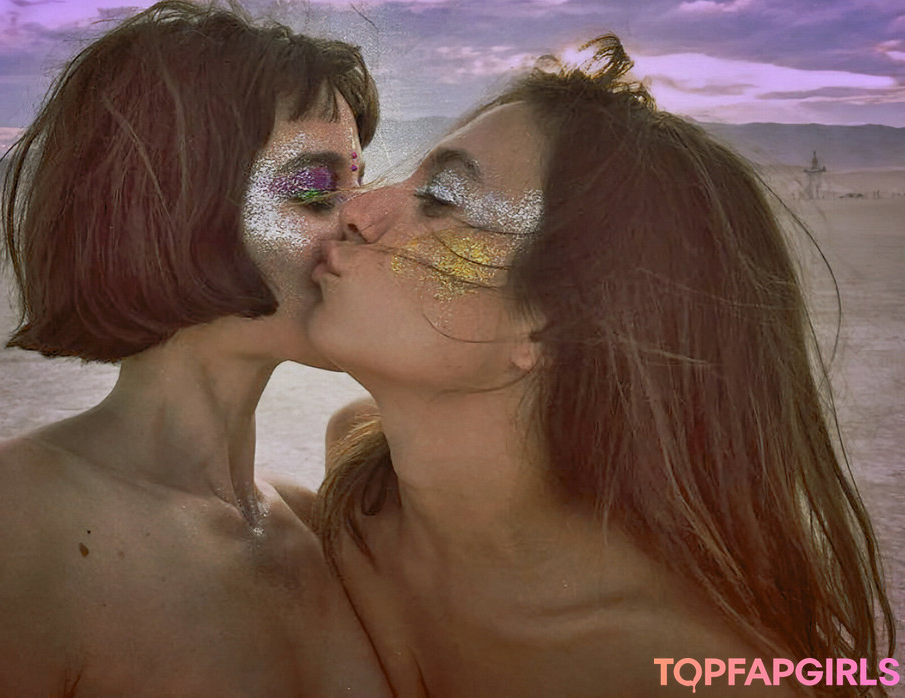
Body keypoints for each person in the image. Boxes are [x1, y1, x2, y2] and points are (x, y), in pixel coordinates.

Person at [310, 36, 896, 696]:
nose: (355, 209)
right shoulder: (359, 478)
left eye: (442, 196)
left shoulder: (683, 674)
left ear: (550, 324)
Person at [0, 2, 392, 695]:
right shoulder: (7, 516)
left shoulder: (318, 521)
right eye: (315, 189)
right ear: (172, 207)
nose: (366, 219)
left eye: (359, 183)